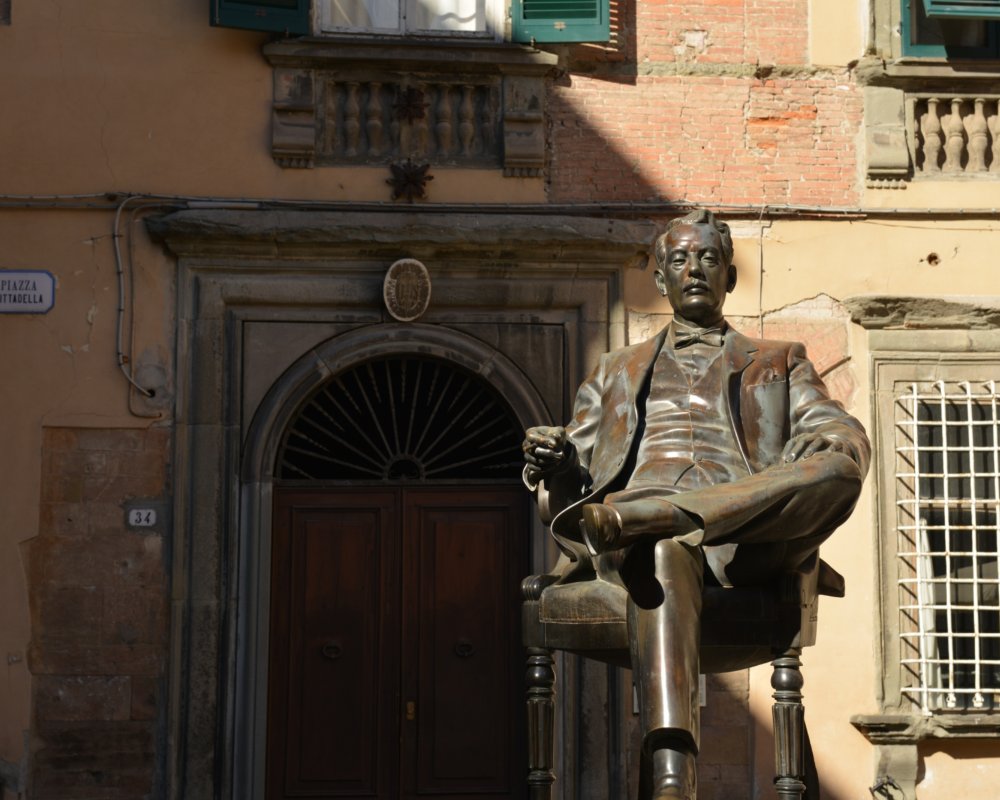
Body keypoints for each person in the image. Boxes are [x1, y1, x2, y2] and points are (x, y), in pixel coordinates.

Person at [522, 209, 869, 800]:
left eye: (709, 258)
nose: (694, 269)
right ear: (660, 279)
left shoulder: (780, 360)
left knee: (842, 464)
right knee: (662, 548)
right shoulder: (613, 371)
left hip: (746, 542)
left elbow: (837, 437)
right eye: (679, 259)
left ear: (731, 276)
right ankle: (672, 780)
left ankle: (663, 514)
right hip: (631, 544)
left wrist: (822, 443)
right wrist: (549, 462)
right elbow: (569, 490)